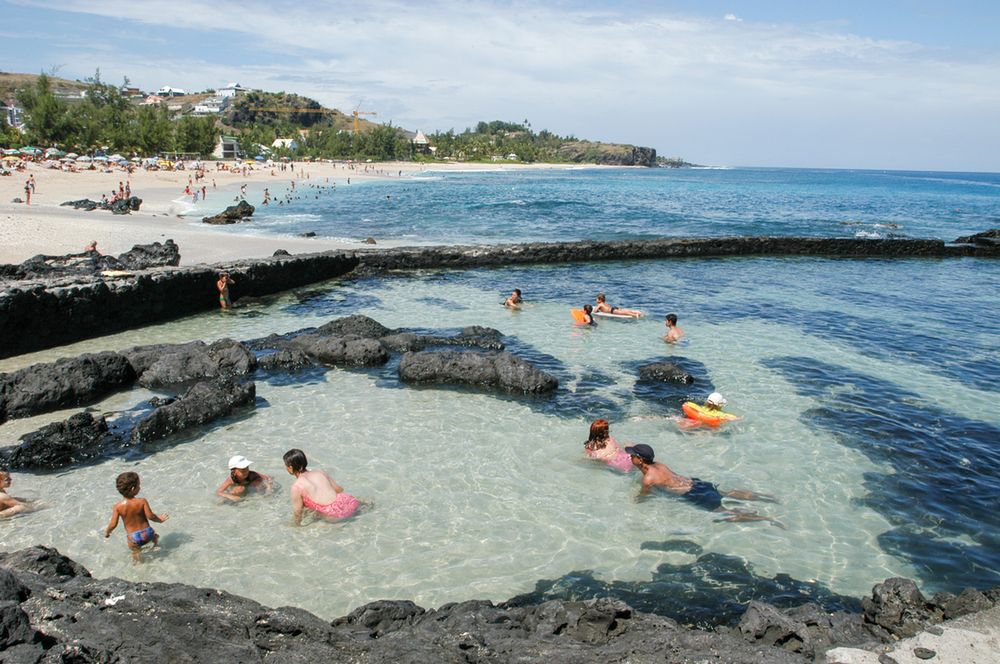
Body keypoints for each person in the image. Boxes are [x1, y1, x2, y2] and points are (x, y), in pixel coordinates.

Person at [625, 444, 781, 525]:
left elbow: (644, 497)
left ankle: (766, 518)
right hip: (697, 484)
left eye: (632, 455)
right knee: (727, 493)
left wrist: (635, 503)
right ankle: (767, 497)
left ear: (640, 459)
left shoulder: (648, 479)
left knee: (725, 514)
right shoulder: (659, 464)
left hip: (693, 494)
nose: (630, 457)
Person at [282, 448, 360, 525]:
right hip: (349, 502)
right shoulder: (320, 473)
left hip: (333, 515)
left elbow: (298, 513)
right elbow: (339, 490)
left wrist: (296, 526)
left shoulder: (297, 487)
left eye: (286, 466)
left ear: (290, 468)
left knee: (316, 514)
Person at [104, 472, 169, 561]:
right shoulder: (142, 501)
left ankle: (138, 562)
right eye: (139, 485)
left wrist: (107, 532)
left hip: (134, 538)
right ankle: (156, 545)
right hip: (148, 533)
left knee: (135, 552)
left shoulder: (118, 507)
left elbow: (113, 524)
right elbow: (151, 516)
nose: (140, 487)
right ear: (133, 489)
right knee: (155, 536)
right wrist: (160, 520)